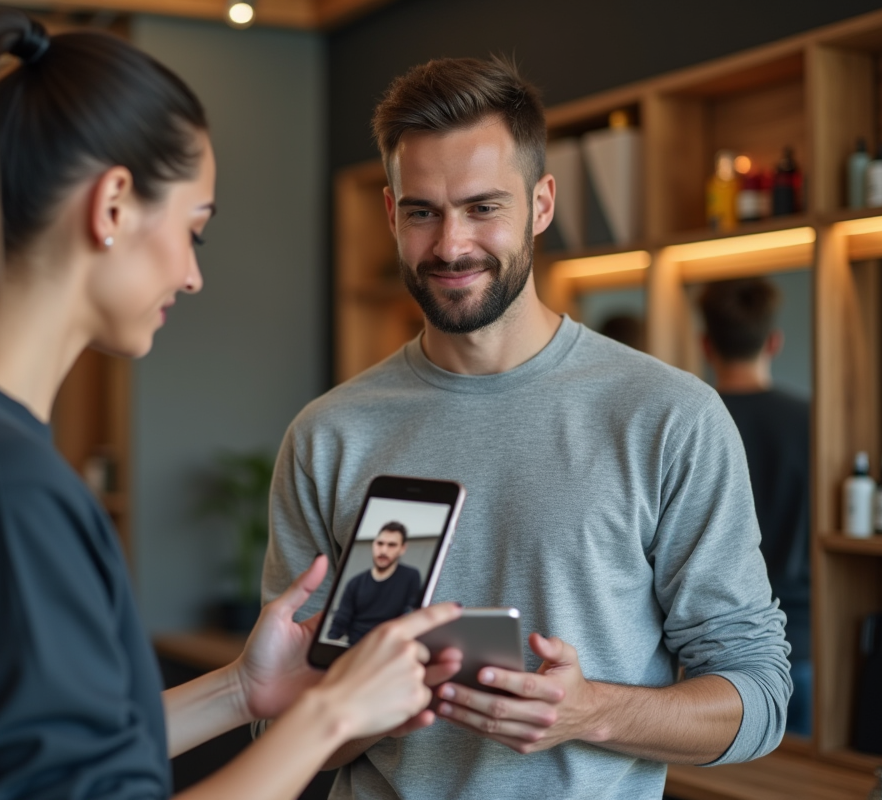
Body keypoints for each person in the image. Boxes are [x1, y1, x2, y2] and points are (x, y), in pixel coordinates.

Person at [0, 13, 463, 800]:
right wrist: (335, 715)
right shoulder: (9, 498)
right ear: (110, 207)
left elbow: (38, 759)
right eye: (193, 231)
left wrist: (242, 691)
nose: (192, 274)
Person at [262, 56, 790, 799]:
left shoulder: (668, 416)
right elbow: (278, 723)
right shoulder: (329, 435)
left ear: (542, 204)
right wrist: (374, 705)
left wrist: (589, 713)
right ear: (391, 214)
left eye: (483, 208)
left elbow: (760, 698)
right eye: (423, 211)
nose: (450, 245)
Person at [698, 277, 811, 736]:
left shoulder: (690, 423)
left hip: (708, 652)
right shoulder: (812, 422)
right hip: (803, 636)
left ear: (706, 345)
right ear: (775, 342)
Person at [327, 522, 422, 645]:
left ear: (402, 548)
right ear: (373, 544)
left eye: (391, 545)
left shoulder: (411, 576)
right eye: (380, 543)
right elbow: (341, 620)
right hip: (355, 646)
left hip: (389, 645)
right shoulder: (355, 583)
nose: (383, 550)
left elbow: (410, 614)